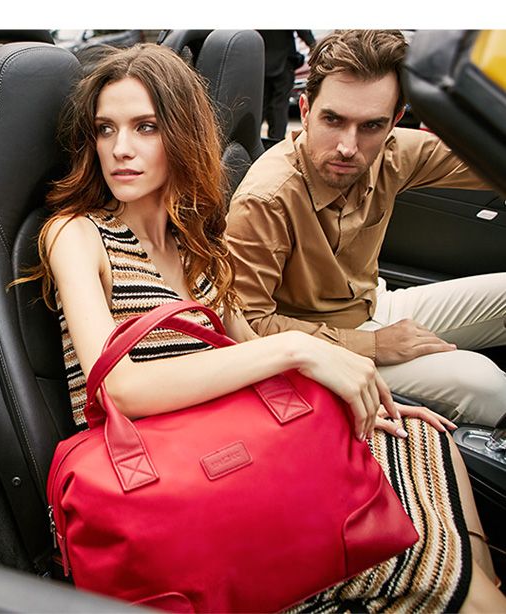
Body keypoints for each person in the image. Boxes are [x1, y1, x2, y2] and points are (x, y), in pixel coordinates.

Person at [25, 43, 504, 612]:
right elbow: (120, 387)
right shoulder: (75, 234)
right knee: (438, 568)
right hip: (175, 479)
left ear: (181, 134)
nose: (120, 149)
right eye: (106, 129)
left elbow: (252, 354)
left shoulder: (197, 241)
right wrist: (297, 348)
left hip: (238, 445)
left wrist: (366, 396)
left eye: (145, 127)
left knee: (427, 440)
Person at [227, 29, 506, 427]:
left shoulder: (392, 154)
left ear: (394, 122)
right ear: (305, 110)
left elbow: (490, 152)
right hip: (320, 346)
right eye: (333, 120)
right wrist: (373, 344)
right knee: (487, 385)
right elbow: (248, 327)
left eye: (371, 126)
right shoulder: (266, 199)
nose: (348, 146)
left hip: (376, 304)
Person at [258, 30, 316, 140]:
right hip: (283, 62)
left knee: (262, 104)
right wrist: (314, 46)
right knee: (279, 105)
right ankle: (276, 140)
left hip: (263, 62)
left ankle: (253, 140)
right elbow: (302, 31)